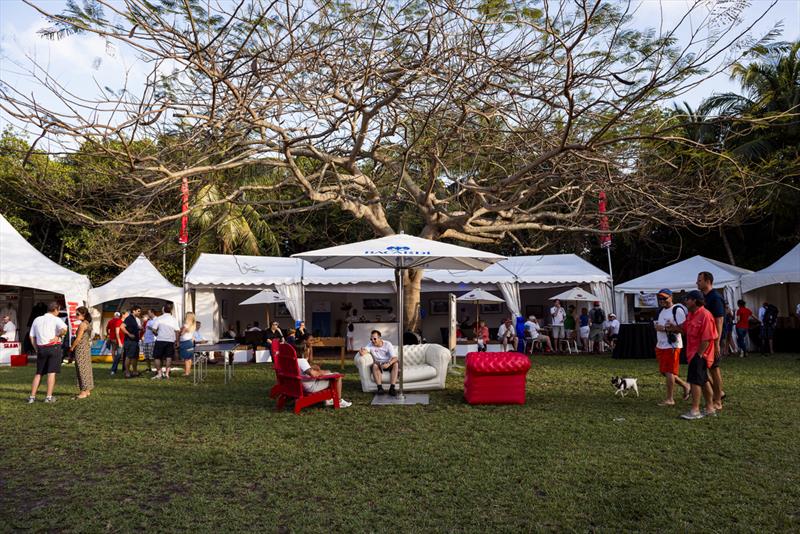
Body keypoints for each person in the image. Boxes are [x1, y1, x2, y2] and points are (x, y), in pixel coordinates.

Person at [679, 290, 718, 420]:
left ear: (694, 300)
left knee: (695, 381)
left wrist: (699, 355)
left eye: (687, 299)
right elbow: (684, 328)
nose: (685, 301)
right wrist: (668, 328)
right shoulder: (691, 314)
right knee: (704, 380)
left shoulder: (705, 315)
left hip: (701, 354)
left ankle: (695, 410)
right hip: (693, 353)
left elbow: (707, 338)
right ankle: (710, 408)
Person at [653, 289, 690, 406]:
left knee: (669, 371)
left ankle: (670, 399)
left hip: (672, 346)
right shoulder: (661, 311)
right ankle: (685, 385)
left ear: (671, 297)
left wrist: (664, 328)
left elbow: (683, 330)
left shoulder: (677, 310)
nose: (662, 300)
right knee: (665, 371)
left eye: (665, 298)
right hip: (661, 344)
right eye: (660, 298)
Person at [27, 302, 68, 403]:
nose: (58, 312)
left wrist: (36, 348)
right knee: (51, 373)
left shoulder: (37, 319)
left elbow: (31, 336)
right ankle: (48, 397)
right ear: (55, 309)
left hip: (41, 348)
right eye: (58, 310)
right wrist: (57, 336)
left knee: (38, 373)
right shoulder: (56, 319)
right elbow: (65, 329)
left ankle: (32, 397)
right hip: (53, 348)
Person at [696, 271, 725, 411]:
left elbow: (719, 320)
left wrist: (717, 343)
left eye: (699, 280)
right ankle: (718, 392)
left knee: (714, 369)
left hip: (713, 339)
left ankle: (718, 400)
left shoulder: (715, 297)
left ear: (707, 281)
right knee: (704, 368)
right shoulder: (703, 297)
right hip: (705, 339)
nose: (697, 283)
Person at [359, 330, 398, 396]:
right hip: (378, 363)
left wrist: (388, 364)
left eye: (375, 339)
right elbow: (363, 353)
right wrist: (361, 350)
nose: (373, 341)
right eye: (371, 339)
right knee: (374, 365)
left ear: (380, 338)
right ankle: (380, 388)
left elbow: (395, 358)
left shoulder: (387, 344)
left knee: (396, 364)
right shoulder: (370, 344)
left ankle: (392, 388)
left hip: (388, 363)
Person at [68, 306, 94, 399]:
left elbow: (78, 338)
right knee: (86, 369)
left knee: (81, 370)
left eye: (77, 314)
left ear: (83, 314)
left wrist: (72, 347)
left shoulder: (82, 324)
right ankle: (87, 391)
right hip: (86, 349)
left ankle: (83, 392)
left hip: (81, 349)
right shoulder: (88, 323)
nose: (76, 315)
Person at [149, 304, 180, 380]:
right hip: (170, 341)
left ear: (163, 310)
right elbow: (177, 331)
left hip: (160, 340)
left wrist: (157, 334)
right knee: (169, 357)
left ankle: (159, 374)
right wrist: (177, 341)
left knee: (157, 357)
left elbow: (153, 329)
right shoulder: (174, 319)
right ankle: (166, 374)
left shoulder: (159, 318)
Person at [120, 305, 142, 378]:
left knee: (135, 357)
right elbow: (122, 327)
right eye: (138, 311)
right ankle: (127, 372)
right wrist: (129, 334)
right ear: (133, 311)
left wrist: (138, 328)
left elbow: (131, 327)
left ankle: (135, 371)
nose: (140, 312)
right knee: (129, 357)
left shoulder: (134, 319)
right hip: (129, 341)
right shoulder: (129, 318)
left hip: (135, 341)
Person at [179, 312, 196, 377]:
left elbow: (182, 333)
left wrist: (180, 330)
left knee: (186, 358)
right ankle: (188, 371)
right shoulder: (193, 325)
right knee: (189, 358)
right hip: (190, 342)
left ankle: (186, 373)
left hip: (185, 342)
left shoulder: (186, 325)